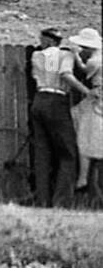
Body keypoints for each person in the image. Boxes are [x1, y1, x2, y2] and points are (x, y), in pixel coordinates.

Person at [29, 26, 89, 208]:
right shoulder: (62, 55)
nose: (40, 42)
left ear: (48, 40)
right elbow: (63, 75)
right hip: (56, 101)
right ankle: (61, 202)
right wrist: (86, 91)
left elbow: (49, 72)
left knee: (43, 154)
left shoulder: (37, 56)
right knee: (68, 153)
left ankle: (42, 200)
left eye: (42, 39)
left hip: (39, 100)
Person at [67, 27, 102, 194]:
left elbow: (73, 73)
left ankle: (82, 178)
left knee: (83, 136)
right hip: (95, 97)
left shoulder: (94, 61)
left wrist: (74, 55)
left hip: (96, 99)